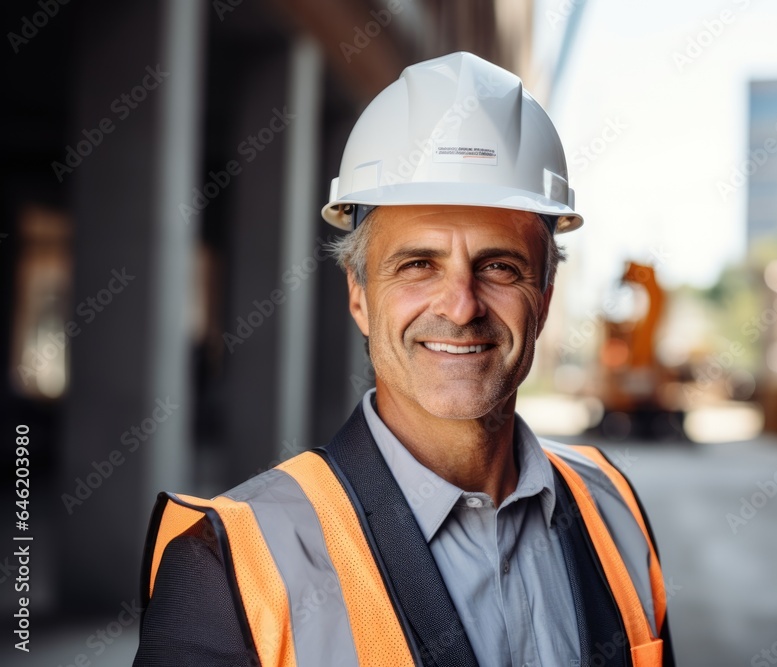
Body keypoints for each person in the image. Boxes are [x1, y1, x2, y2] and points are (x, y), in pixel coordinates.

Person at [133, 51, 675, 667]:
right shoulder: (232, 566)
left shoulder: (613, 509)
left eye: (500, 266)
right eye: (418, 265)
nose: (462, 307)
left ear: (545, 298)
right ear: (359, 295)